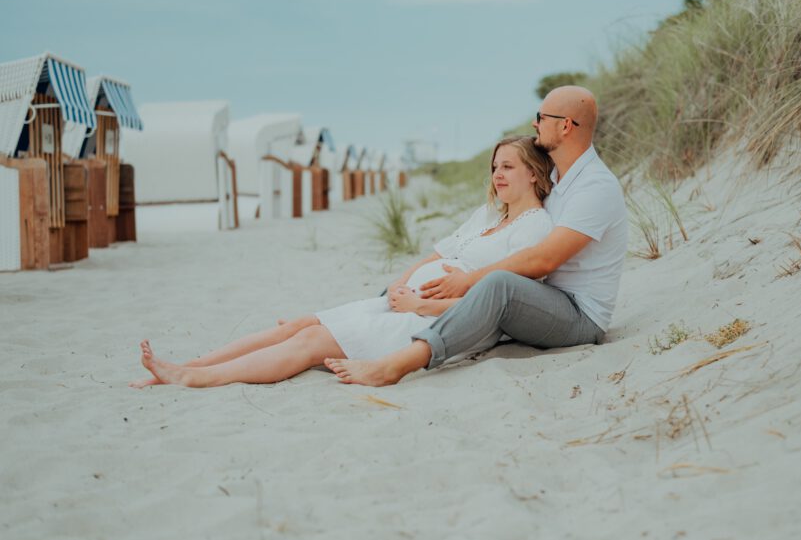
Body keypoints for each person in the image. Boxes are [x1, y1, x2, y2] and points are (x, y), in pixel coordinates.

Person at [131, 136, 554, 388]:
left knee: (310, 341)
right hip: (404, 303)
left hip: (432, 321)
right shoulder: (488, 215)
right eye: (494, 166)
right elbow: (436, 256)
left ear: (533, 173)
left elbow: (494, 303)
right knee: (301, 323)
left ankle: (197, 379)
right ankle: (191, 364)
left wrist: (420, 306)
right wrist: (400, 284)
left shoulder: (535, 228)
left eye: (508, 167)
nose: (497, 175)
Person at [326, 85, 628, 386]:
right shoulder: (555, 180)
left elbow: (544, 259)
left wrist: (469, 279)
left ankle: (397, 365)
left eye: (542, 116)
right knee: (485, 281)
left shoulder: (594, 187)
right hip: (542, 299)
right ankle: (342, 323)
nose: (535, 123)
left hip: (579, 317)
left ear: (565, 125)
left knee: (498, 284)